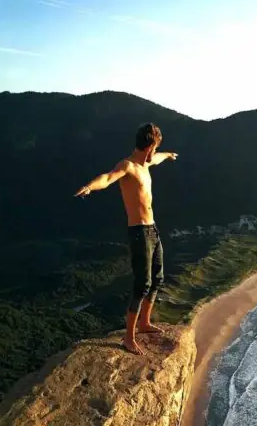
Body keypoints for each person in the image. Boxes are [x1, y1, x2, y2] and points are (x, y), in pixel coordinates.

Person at [74, 123, 178, 355]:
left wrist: (168, 154)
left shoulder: (147, 162)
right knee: (143, 284)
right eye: (155, 148)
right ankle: (128, 337)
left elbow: (158, 158)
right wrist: (90, 186)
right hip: (139, 232)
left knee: (158, 278)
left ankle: (144, 323)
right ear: (149, 146)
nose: (155, 153)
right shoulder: (128, 166)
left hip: (153, 229)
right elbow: (108, 178)